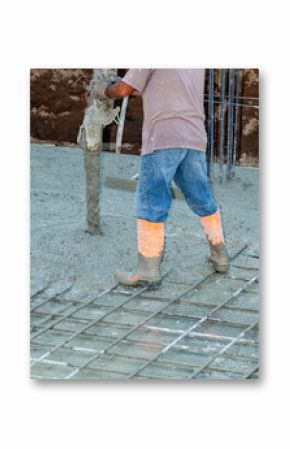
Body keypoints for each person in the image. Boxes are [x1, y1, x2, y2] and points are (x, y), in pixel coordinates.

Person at [96, 69, 229, 288]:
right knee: (200, 195)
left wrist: (102, 90)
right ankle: (220, 255)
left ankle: (147, 270)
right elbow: (160, 89)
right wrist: (125, 84)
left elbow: (123, 90)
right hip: (193, 136)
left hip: (163, 135)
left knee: (150, 198)